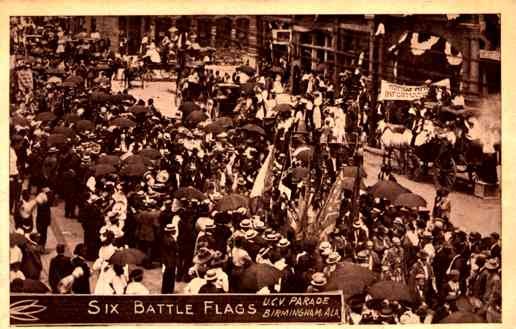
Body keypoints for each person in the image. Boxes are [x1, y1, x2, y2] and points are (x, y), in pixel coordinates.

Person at [160, 223, 178, 294]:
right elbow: (176, 249)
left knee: (166, 276)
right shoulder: (172, 240)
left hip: (165, 259)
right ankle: (169, 290)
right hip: (171, 260)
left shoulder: (164, 238)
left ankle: (165, 290)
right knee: (171, 276)